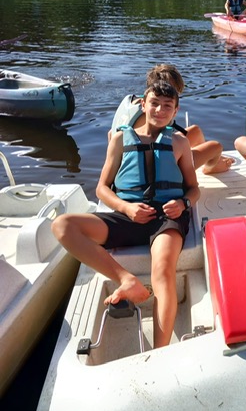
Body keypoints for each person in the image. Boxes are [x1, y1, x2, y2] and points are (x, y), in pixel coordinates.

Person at [52, 81, 200, 348]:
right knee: (63, 226)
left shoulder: (180, 142)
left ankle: (160, 351)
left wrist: (183, 204)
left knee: (163, 269)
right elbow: (102, 188)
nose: (160, 110)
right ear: (143, 104)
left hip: (167, 218)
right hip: (128, 215)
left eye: (167, 106)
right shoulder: (120, 139)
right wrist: (127, 208)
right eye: (154, 103)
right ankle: (126, 279)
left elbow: (194, 189)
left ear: (176, 111)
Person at [111, 63, 235, 175]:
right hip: (149, 171)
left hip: (127, 158)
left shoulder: (130, 100)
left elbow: (110, 133)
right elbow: (157, 154)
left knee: (195, 131)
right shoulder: (153, 116)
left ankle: (206, 159)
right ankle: (211, 167)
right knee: (215, 147)